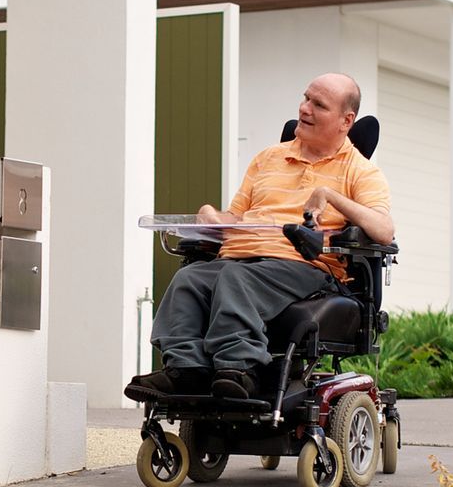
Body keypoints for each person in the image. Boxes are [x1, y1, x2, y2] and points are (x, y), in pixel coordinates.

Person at [125, 72, 395, 403]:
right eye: (306, 98)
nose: (304, 108)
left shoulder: (360, 171)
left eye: (318, 105)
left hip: (302, 264)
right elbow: (234, 217)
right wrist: (210, 216)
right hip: (240, 255)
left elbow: (384, 229)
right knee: (189, 279)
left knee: (237, 278)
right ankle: (186, 369)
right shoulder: (268, 158)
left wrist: (331, 196)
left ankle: (239, 368)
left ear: (345, 120)